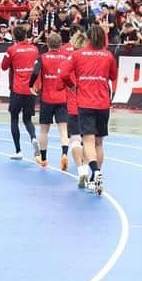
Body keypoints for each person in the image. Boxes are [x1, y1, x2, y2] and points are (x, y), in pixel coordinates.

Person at [61, 23, 117, 195]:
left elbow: (63, 74)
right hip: (103, 103)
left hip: (85, 103)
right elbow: (113, 76)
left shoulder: (77, 55)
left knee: (88, 141)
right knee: (99, 142)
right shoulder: (108, 56)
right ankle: (96, 178)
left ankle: (95, 172)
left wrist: (72, 85)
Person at [29, 33, 72, 170]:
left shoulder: (42, 57)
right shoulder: (66, 58)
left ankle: (43, 158)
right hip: (62, 98)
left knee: (44, 130)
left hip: (47, 98)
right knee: (63, 129)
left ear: (47, 44)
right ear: (61, 45)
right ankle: (64, 153)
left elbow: (35, 72)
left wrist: (31, 85)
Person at [1, 26, 40, 160]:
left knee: (14, 119)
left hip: (17, 89)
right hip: (30, 89)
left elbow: (4, 66)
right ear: (25, 35)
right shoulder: (34, 49)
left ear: (14, 36)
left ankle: (18, 150)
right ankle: (33, 138)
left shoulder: (12, 50)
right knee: (28, 119)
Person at [62, 31, 89, 183]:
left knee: (75, 139)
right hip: (89, 105)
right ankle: (86, 166)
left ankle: (80, 169)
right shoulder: (88, 60)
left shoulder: (70, 59)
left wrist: (70, 86)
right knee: (88, 140)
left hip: (73, 105)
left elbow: (62, 75)